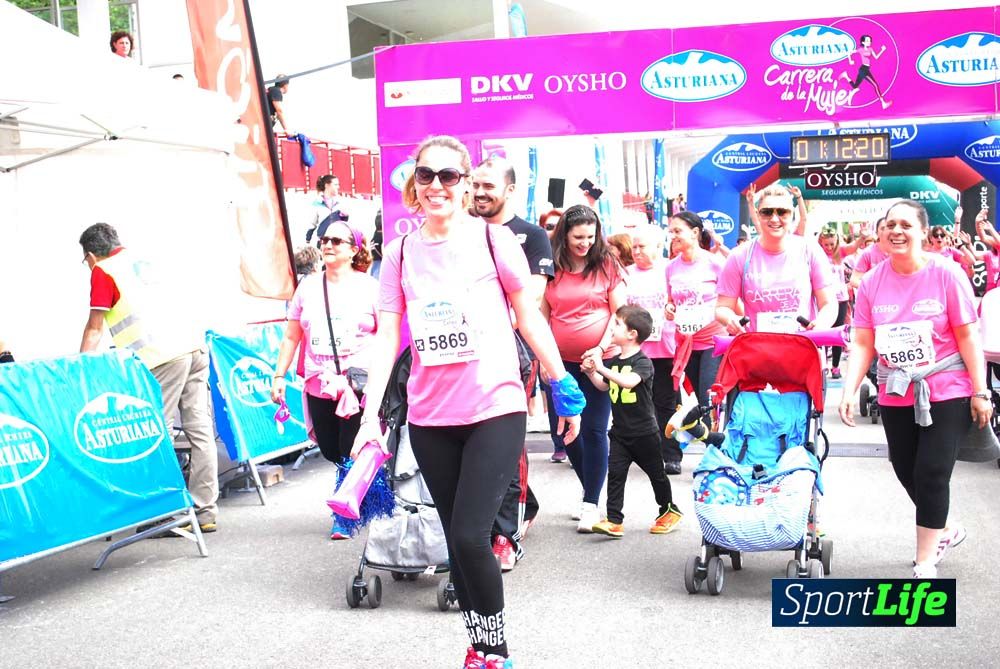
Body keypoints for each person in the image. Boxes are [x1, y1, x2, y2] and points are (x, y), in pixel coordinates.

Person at [352, 135, 582, 669]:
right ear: (415, 183)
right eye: (426, 176)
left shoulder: (493, 240)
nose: (437, 186)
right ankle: (480, 646)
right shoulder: (400, 252)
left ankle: (495, 651)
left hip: (494, 406)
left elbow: (528, 315)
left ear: (464, 184)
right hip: (430, 415)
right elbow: (388, 337)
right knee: (458, 544)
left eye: (449, 176)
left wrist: (561, 383)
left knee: (469, 535)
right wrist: (370, 418)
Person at [838, 199, 992, 578]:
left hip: (947, 385)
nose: (896, 231)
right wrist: (848, 389)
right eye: (890, 225)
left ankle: (925, 559)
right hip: (896, 388)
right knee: (905, 466)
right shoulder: (873, 281)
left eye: (906, 225)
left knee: (932, 470)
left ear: (923, 232)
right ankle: (943, 528)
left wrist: (980, 390)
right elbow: (862, 342)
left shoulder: (946, 274)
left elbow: (968, 335)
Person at [78, 223, 219, 532]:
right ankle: (204, 510)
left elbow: (95, 327)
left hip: (161, 357)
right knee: (200, 431)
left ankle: (164, 514)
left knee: (158, 433)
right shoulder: (146, 261)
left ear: (90, 255)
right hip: (194, 348)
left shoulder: (103, 271)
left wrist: (80, 369)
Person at [471, 156, 555, 572]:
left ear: (509, 189)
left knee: (505, 445)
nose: (480, 192)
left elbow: (530, 303)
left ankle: (505, 534)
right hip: (459, 359)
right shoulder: (459, 231)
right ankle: (519, 506)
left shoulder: (532, 236)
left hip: (512, 356)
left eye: (489, 185)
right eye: (475, 184)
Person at [272, 222, 377, 540]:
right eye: (324, 239)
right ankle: (367, 492)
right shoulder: (307, 287)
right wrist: (279, 374)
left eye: (336, 240)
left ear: (353, 249)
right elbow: (291, 336)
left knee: (350, 448)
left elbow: (388, 333)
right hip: (319, 381)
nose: (328, 244)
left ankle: (345, 513)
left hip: (357, 382)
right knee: (331, 448)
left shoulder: (369, 287)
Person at [543, 204, 627, 532]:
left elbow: (619, 314)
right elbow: (542, 315)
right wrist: (543, 360)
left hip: (601, 358)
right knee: (567, 432)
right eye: (579, 237)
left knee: (594, 428)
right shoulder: (550, 266)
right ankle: (589, 487)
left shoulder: (607, 263)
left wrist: (600, 348)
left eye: (591, 237)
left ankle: (591, 502)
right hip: (561, 361)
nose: (585, 243)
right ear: (564, 235)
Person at [583, 305, 683, 538]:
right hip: (620, 432)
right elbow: (603, 385)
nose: (612, 329)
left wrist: (601, 368)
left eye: (617, 325)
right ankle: (614, 519)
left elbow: (628, 382)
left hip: (645, 433)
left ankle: (669, 510)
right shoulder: (615, 361)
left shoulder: (643, 362)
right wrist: (591, 372)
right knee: (616, 473)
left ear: (632, 334)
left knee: (656, 474)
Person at [716, 185, 837, 335]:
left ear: (792, 215)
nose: (774, 218)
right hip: (757, 350)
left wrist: (821, 323)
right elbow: (722, 307)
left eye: (782, 212)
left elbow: (829, 303)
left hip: (803, 348)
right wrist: (730, 319)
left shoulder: (809, 250)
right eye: (767, 212)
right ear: (758, 215)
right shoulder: (740, 256)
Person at [628, 224, 681, 472]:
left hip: (667, 348)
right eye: (634, 246)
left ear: (659, 247)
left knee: (667, 404)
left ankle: (672, 455)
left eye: (642, 246)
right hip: (637, 350)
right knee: (639, 404)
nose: (636, 251)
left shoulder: (671, 271)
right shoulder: (626, 274)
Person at [665, 211, 727, 423]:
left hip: (713, 341)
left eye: (677, 231)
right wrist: (669, 308)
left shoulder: (715, 263)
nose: (673, 235)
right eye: (670, 231)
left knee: (707, 397)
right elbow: (670, 300)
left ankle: (714, 449)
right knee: (692, 400)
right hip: (686, 343)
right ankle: (707, 444)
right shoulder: (671, 267)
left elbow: (731, 300)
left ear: (694, 233)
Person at [817, 229, 853, 378]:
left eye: (832, 244)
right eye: (826, 244)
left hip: (841, 299)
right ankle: (822, 365)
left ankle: (835, 366)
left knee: (837, 333)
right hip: (824, 299)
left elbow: (855, 246)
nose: (829, 248)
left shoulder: (841, 254)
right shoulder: (817, 255)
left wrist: (862, 237)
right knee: (823, 333)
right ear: (821, 243)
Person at [839, 34, 892, 110]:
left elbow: (876, 57)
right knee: (875, 85)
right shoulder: (860, 49)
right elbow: (849, 52)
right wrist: (850, 60)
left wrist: (882, 50)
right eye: (867, 41)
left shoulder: (870, 49)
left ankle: (846, 76)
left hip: (866, 69)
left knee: (855, 86)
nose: (869, 42)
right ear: (863, 42)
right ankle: (883, 103)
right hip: (863, 70)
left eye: (870, 40)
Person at [307, 175, 349, 243]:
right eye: (335, 184)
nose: (338, 187)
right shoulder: (316, 203)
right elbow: (311, 225)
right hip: (323, 241)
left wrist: (345, 217)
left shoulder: (341, 202)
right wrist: (307, 240)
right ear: (327, 185)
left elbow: (345, 224)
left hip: (338, 241)